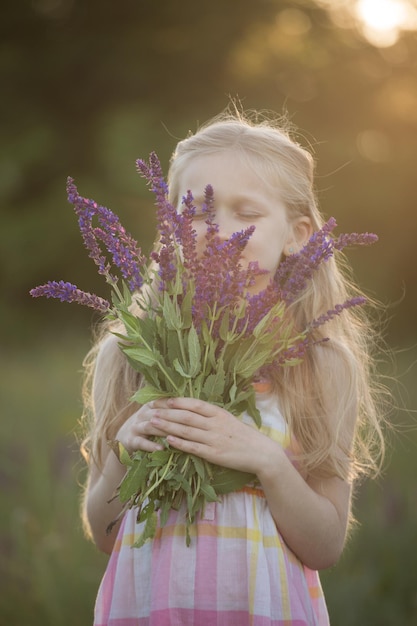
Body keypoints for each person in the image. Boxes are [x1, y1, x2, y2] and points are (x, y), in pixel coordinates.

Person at [81, 109, 385, 625]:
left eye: (246, 212)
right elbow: (104, 532)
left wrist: (265, 460)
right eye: (195, 210)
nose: (218, 227)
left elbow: (326, 544)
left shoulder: (319, 365)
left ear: (298, 234)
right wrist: (123, 456)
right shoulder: (131, 354)